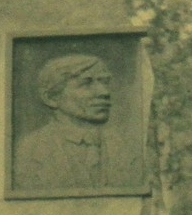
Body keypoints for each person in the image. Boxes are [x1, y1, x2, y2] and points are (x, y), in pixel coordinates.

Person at [14, 53, 119, 193]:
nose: (104, 92)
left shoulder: (124, 147)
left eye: (104, 82)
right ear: (50, 98)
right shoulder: (28, 151)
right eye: (86, 84)